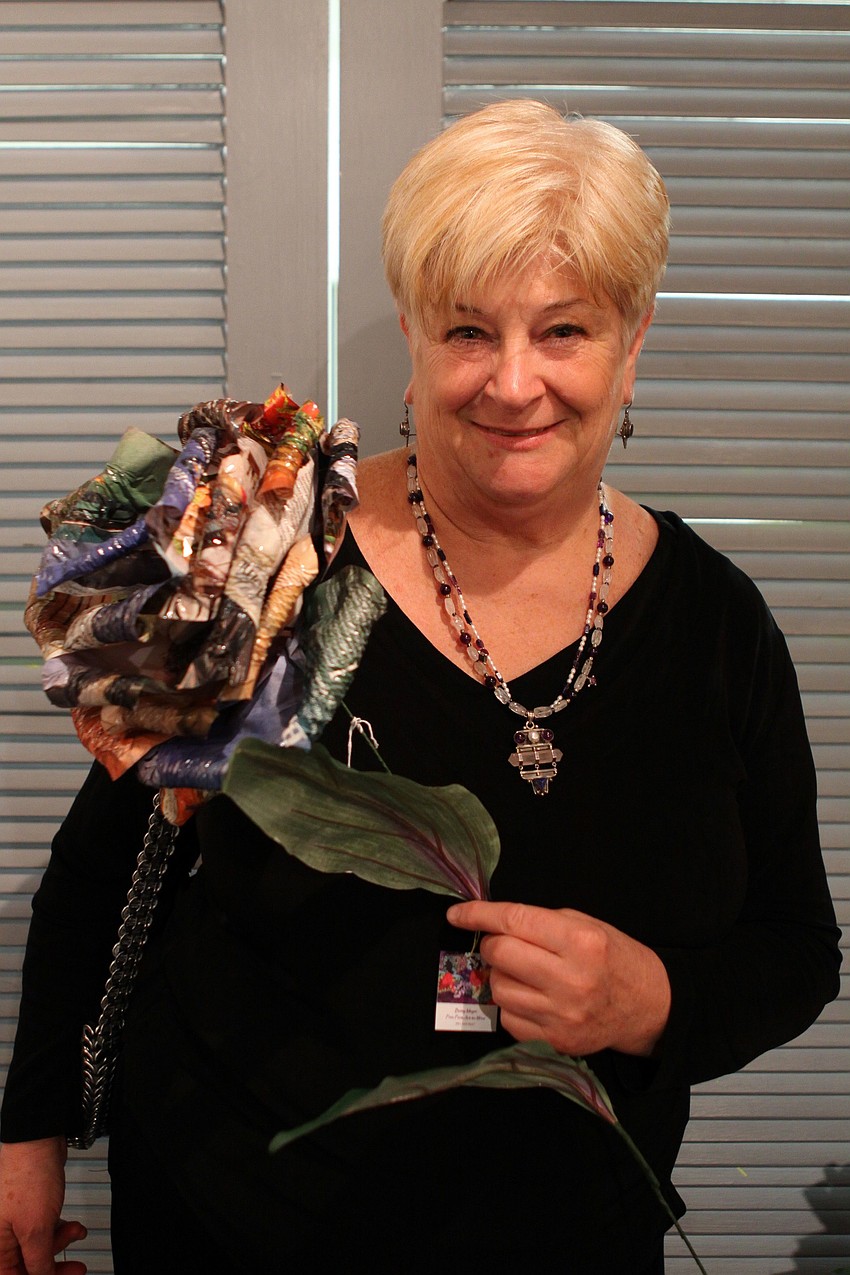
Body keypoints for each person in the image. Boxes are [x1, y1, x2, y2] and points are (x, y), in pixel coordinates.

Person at [0, 100, 840, 1275]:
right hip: (235, 1222)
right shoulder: (262, 548)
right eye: (467, 331)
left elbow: (796, 948)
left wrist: (653, 1003)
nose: (513, 383)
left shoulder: (714, 621)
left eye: (563, 330)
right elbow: (99, 870)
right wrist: (28, 1134)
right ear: (410, 329)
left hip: (572, 1240)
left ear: (633, 336)